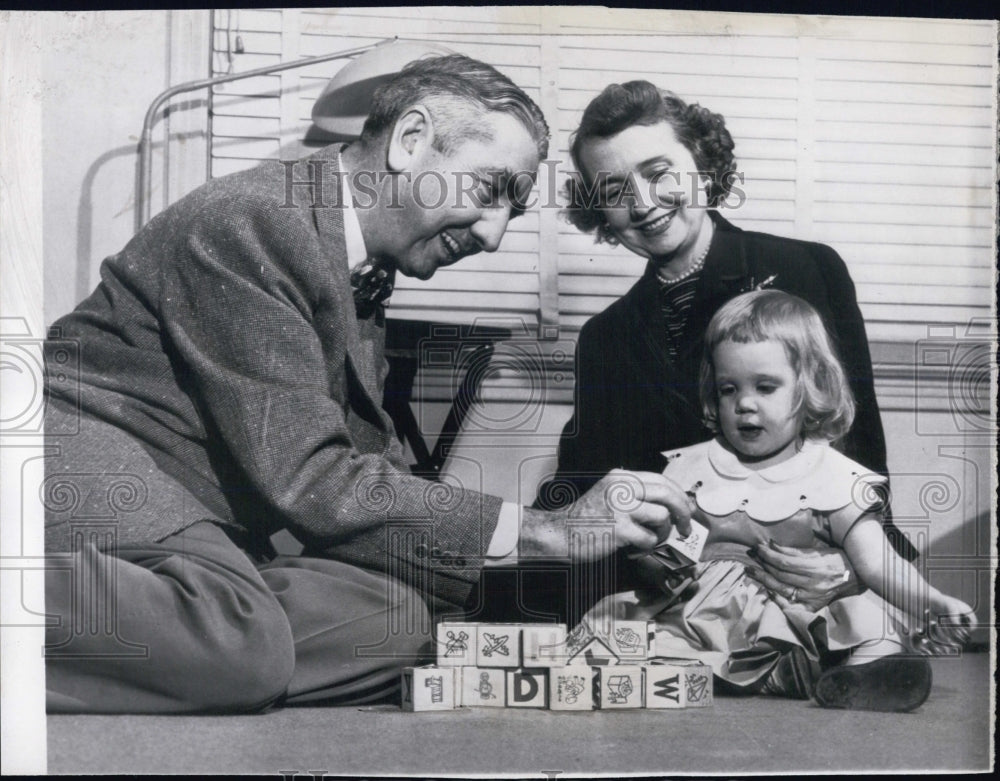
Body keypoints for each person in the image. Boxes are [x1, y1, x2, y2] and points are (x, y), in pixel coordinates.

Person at [42, 55, 694, 714]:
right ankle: (216, 642)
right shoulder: (256, 220)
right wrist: (547, 531)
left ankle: (201, 646)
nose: (496, 234)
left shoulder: (359, 266)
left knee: (403, 620)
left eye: (513, 209)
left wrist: (551, 599)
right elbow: (314, 481)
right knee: (241, 641)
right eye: (491, 189)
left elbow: (371, 468)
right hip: (85, 453)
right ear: (410, 141)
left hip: (193, 508)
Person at [534, 80, 915, 621]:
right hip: (674, 573)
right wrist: (528, 533)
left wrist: (851, 562)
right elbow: (584, 479)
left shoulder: (807, 268)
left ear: (703, 167)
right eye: (615, 190)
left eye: (658, 173)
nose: (643, 204)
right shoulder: (604, 335)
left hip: (810, 558)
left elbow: (857, 445)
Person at [581, 290, 974, 711]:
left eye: (765, 387)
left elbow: (878, 563)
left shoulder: (831, 476)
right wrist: (652, 554)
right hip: (707, 618)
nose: (745, 404)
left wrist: (934, 603)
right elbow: (669, 546)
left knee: (868, 621)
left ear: (809, 388)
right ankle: (670, 670)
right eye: (728, 389)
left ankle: (863, 676)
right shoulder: (691, 468)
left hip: (799, 622)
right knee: (628, 626)